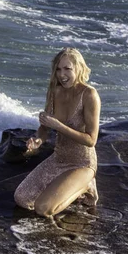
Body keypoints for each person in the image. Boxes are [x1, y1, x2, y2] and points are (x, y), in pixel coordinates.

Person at [14, 47, 100, 217]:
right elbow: (44, 128)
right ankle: (71, 186)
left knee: (43, 208)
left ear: (79, 68)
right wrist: (38, 140)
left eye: (67, 69)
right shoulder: (55, 91)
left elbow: (91, 140)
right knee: (22, 199)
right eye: (58, 69)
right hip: (59, 158)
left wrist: (59, 126)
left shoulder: (89, 95)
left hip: (82, 163)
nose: (62, 74)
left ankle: (87, 185)